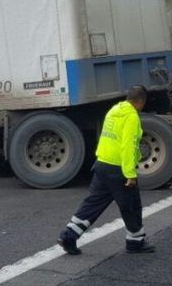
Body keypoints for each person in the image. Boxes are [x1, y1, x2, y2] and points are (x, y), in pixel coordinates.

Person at [57, 85, 156, 255]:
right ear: (141, 102)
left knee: (93, 204)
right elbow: (128, 146)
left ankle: (68, 235)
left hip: (102, 164)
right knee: (131, 205)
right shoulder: (131, 117)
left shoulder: (114, 110)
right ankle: (135, 242)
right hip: (118, 168)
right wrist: (130, 174)